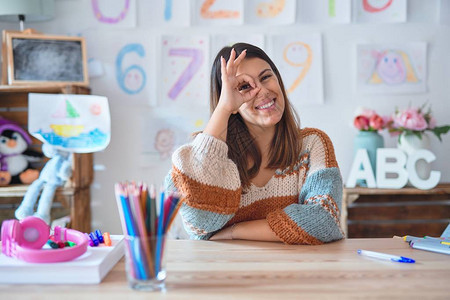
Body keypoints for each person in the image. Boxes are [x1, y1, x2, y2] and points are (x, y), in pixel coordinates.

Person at [166, 43, 344, 245]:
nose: (261, 91)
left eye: (266, 77)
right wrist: (224, 109)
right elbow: (199, 222)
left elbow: (325, 220)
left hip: (294, 271)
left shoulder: (311, 144)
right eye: (243, 87)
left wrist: (235, 231)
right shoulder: (207, 153)